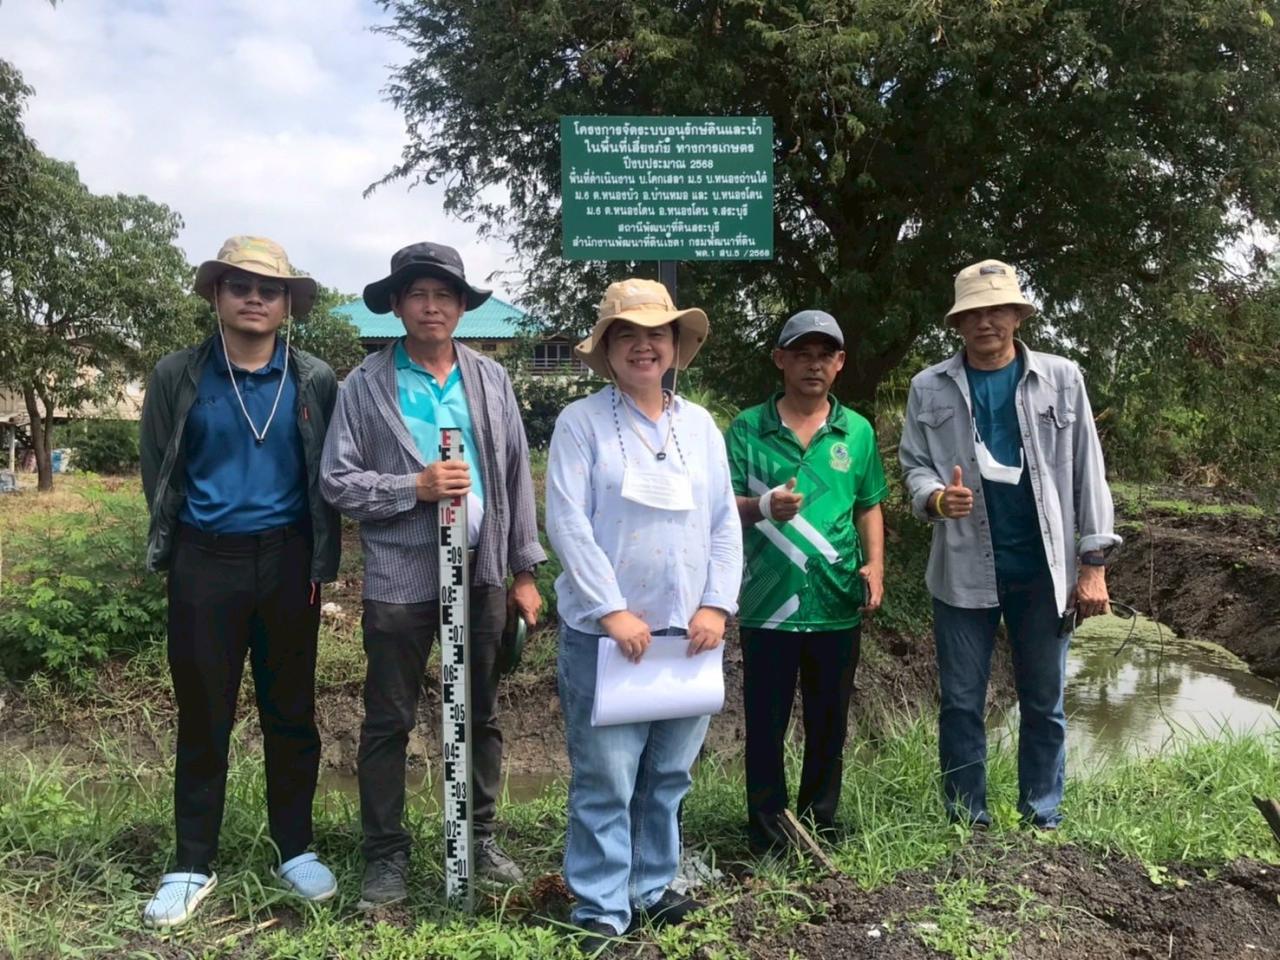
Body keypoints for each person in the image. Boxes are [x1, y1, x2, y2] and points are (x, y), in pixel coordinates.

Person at [320, 241, 545, 908]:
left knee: (481, 709)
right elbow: (337, 481)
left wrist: (524, 568)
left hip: (482, 572)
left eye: (443, 295)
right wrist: (412, 487)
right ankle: (385, 857)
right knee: (389, 717)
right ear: (396, 305)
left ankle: (478, 838)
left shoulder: (490, 380)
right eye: (417, 294)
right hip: (399, 576)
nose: (430, 306)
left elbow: (513, 477)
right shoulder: (363, 385)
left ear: (461, 306)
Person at [139, 236, 341, 927]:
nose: (255, 299)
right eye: (240, 286)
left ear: (288, 304)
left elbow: (327, 481)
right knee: (204, 713)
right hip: (204, 561)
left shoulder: (314, 378)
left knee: (292, 711)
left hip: (287, 561)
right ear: (218, 297)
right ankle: (191, 861)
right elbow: (158, 472)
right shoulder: (178, 374)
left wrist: (318, 565)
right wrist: (178, 549)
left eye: (270, 289)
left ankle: (296, 847)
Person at [545, 278, 742, 953]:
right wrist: (611, 610)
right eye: (627, 334)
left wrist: (717, 603)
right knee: (606, 775)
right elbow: (566, 524)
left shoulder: (700, 427)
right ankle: (601, 904)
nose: (644, 345)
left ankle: (652, 887)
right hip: (605, 638)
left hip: (688, 636)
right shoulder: (580, 423)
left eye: (656, 333)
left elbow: (723, 523)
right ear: (607, 348)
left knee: (667, 775)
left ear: (675, 345)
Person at [898, 259, 1120, 829]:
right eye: (973, 313)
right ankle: (965, 819)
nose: (986, 322)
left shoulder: (1062, 377)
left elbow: (1086, 471)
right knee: (961, 703)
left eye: (997, 309)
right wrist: (935, 500)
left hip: (1044, 571)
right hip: (962, 568)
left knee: (1044, 703)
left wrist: (1092, 563)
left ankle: (1041, 816)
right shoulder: (929, 386)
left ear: (1018, 315)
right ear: (958, 323)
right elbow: (914, 467)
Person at [725, 310, 887, 854]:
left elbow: (869, 505)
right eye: (801, 353)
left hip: (837, 596)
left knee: (829, 721)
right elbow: (719, 507)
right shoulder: (747, 428)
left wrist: (876, 565)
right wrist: (763, 507)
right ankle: (767, 832)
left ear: (840, 363)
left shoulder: (856, 431)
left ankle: (820, 822)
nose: (813, 364)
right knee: (765, 721)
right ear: (780, 360)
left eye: (825, 354)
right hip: (768, 600)